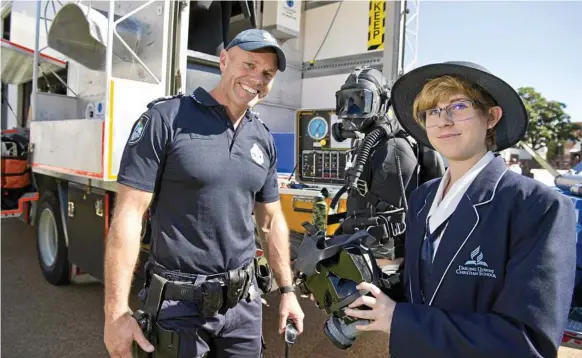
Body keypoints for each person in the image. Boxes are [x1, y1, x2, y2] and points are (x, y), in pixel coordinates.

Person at [343, 61, 577, 357]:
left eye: (458, 107)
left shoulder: (538, 207)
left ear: (491, 117)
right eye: (432, 111)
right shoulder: (422, 198)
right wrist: (365, 288)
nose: (443, 121)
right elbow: (423, 289)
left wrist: (398, 319)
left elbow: (527, 343)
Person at [103, 29, 304, 358]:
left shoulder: (262, 139)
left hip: (244, 309)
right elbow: (128, 214)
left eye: (267, 73)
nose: (257, 78)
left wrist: (287, 290)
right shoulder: (167, 119)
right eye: (248, 65)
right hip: (177, 308)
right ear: (224, 60)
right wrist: (116, 314)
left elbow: (270, 221)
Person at [331, 66, 445, 261]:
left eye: (360, 102)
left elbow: (385, 224)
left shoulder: (392, 150)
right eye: (345, 102)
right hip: (365, 247)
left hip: (381, 259)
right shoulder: (375, 144)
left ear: (381, 103)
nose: (351, 111)